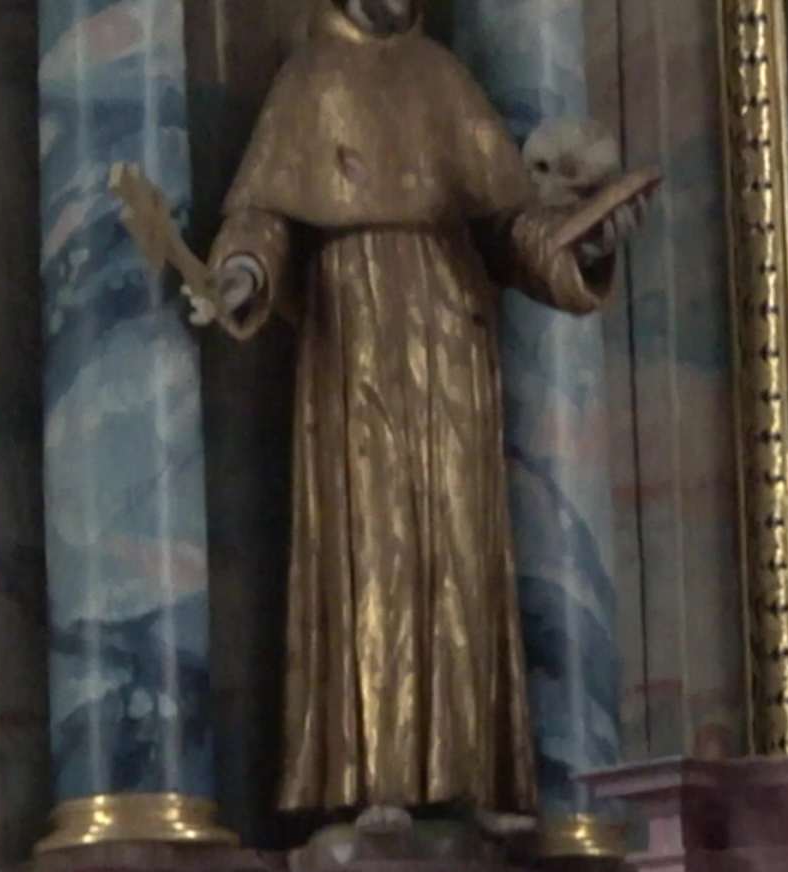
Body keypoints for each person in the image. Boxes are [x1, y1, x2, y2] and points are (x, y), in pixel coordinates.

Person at [196, 0, 648, 824]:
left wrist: (587, 242)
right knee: (374, 547)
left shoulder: (443, 76)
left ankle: (468, 779)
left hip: (454, 343)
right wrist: (242, 273)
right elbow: (261, 219)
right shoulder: (311, 79)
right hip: (354, 341)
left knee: (460, 544)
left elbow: (512, 228)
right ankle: (376, 781)